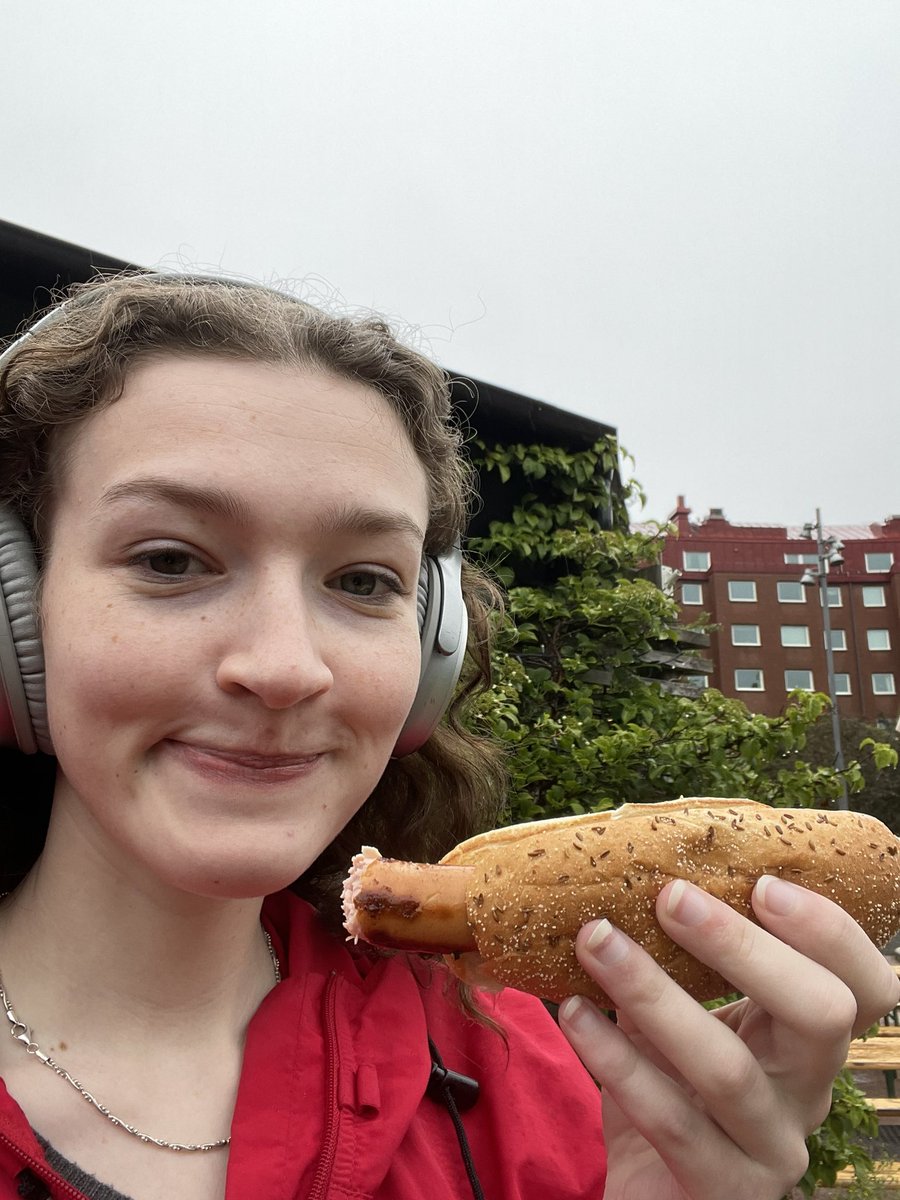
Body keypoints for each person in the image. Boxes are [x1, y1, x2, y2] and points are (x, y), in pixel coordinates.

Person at [0, 273, 894, 1200]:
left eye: (361, 582)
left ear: (431, 653)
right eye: (170, 560)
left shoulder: (548, 1083)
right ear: (16, 617)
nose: (285, 666)